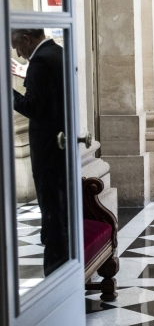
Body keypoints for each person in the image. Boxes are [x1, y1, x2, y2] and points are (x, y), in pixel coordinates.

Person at [12, 29, 69, 276]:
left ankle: (55, 270)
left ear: (26, 38)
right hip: (59, 144)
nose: (17, 52)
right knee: (58, 208)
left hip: (48, 148)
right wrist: (27, 74)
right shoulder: (57, 52)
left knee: (51, 210)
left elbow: (32, 107)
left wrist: (7, 91)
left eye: (16, 45)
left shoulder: (40, 60)